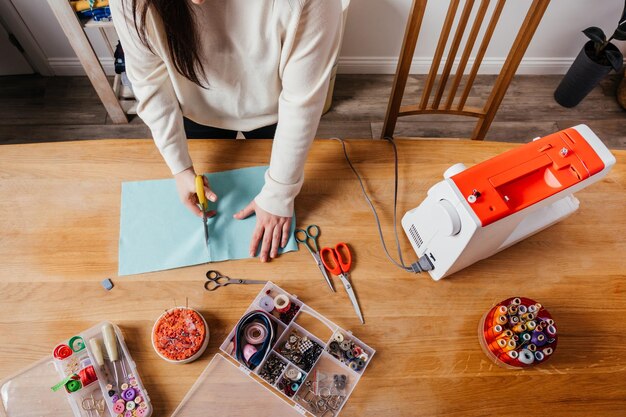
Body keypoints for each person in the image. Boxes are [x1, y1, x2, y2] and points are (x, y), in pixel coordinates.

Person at [111, 0, 342, 262]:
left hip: (277, 111)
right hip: (194, 109)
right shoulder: (129, 2)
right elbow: (150, 84)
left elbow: (302, 102)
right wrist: (180, 168)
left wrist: (279, 194)